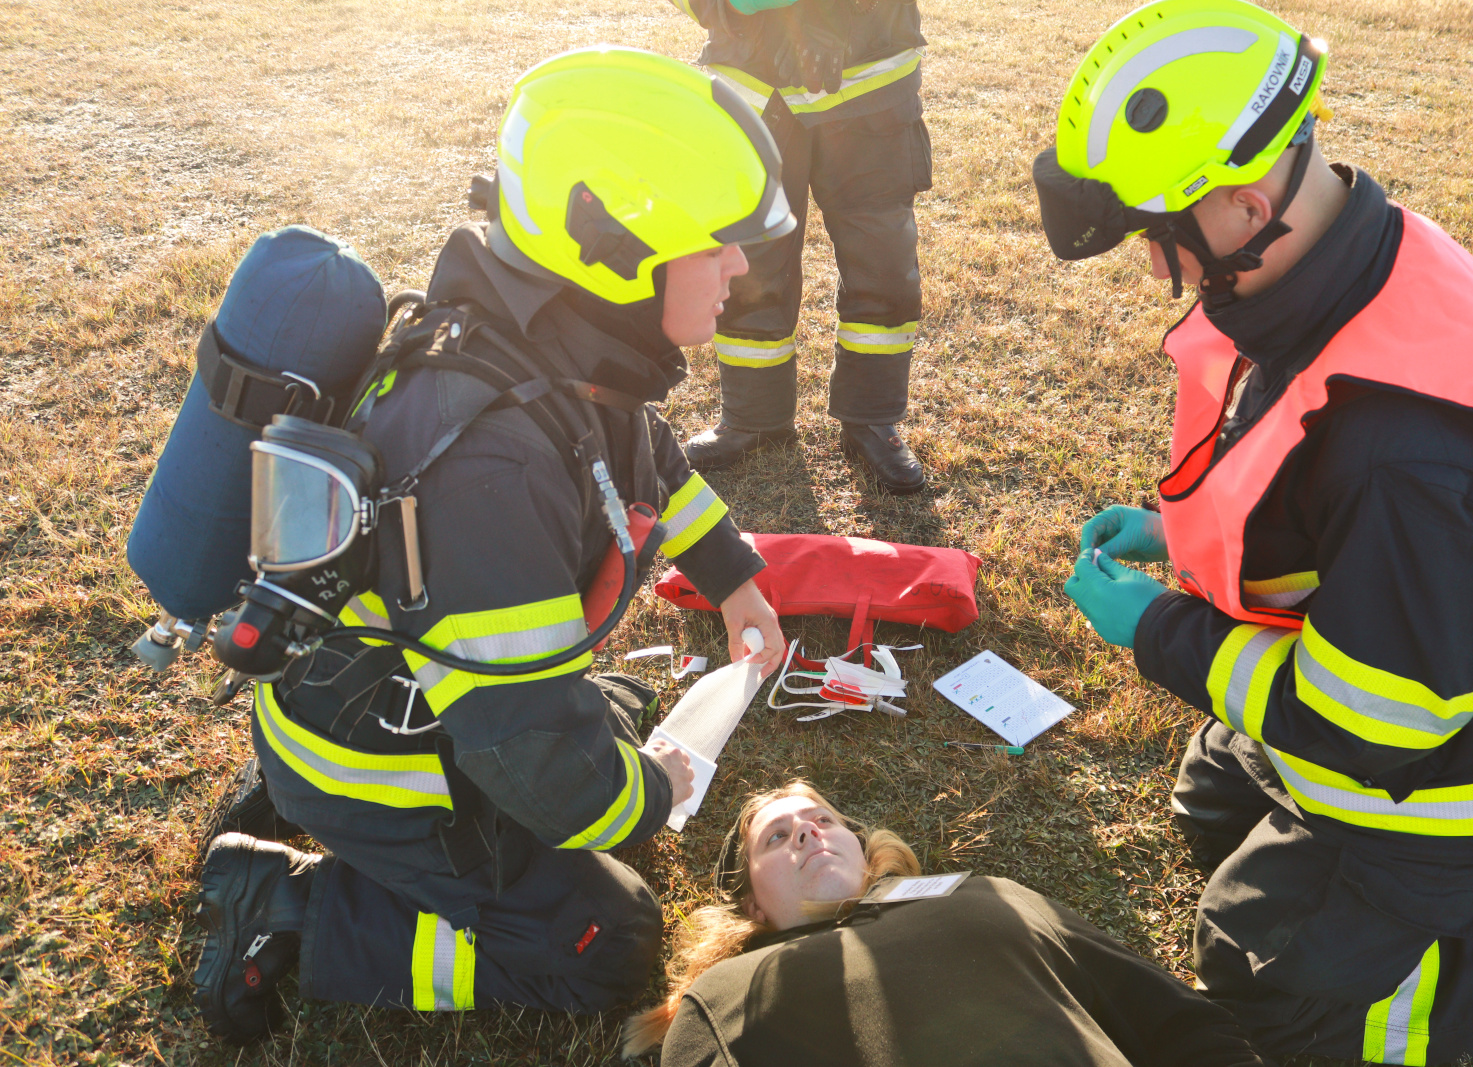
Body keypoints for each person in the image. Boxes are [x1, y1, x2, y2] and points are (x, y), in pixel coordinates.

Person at [190, 47, 792, 1042]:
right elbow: (538, 767)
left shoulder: (551, 344)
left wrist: (731, 575)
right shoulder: (492, 468)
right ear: (618, 245)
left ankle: (294, 789)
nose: (739, 266)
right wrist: (647, 795)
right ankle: (290, 904)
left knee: (624, 708)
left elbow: (644, 458)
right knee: (611, 937)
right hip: (392, 764)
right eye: (719, 242)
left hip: (384, 703)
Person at [1037, 1, 1473, 1062]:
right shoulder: (1364, 252)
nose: (1161, 273)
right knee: (1216, 789)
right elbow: (1309, 479)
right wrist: (1176, 531)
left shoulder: (1411, 457)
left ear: (1245, 206)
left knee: (1268, 969)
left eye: (1162, 242)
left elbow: (1370, 728)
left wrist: (1155, 629)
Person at [623, 780, 1270, 1066]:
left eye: (822, 820)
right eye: (778, 837)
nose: (808, 833)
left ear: (861, 844)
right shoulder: (726, 995)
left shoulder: (985, 893)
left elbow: (1180, 1023)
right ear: (754, 907)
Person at [668, 0, 932, 493]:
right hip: (752, 87)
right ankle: (754, 417)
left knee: (883, 265)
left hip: (868, 85)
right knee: (750, 266)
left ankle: (871, 420)